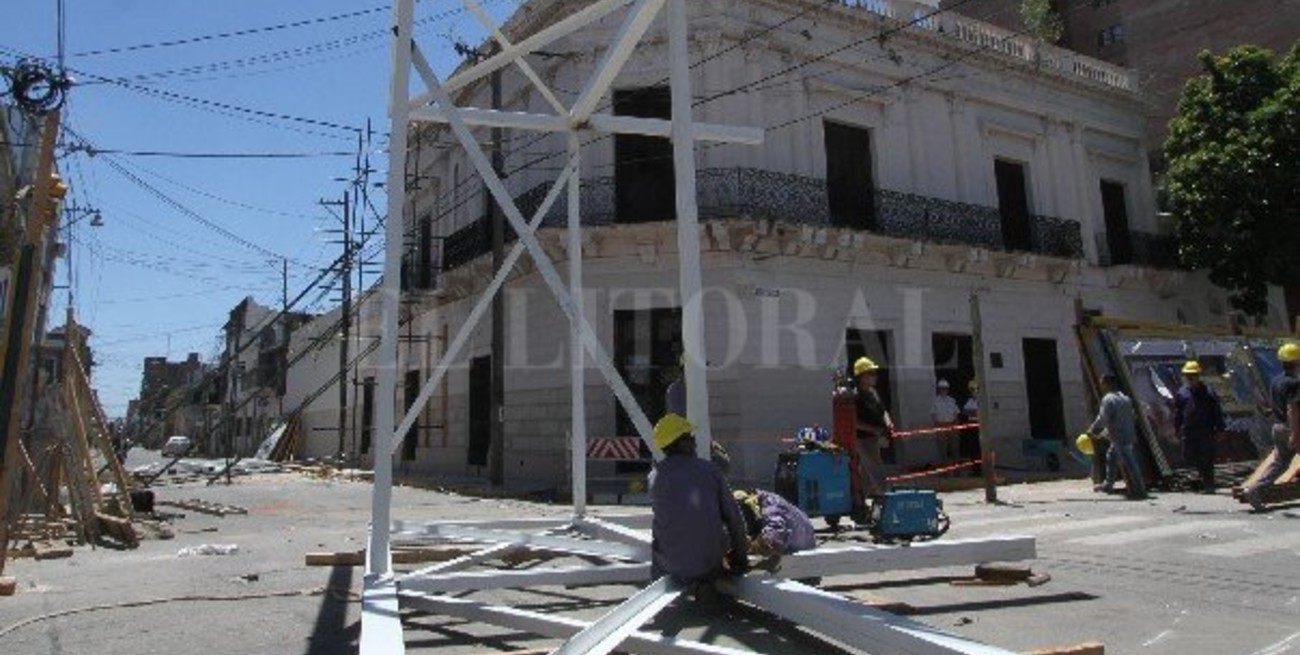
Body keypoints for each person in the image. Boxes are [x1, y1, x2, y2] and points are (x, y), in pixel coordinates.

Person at [650, 413, 749, 588]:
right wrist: (740, 560)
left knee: (659, 537)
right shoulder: (710, 470)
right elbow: (735, 520)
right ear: (681, 442)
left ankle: (660, 584)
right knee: (721, 532)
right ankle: (706, 583)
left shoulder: (654, 477)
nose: (695, 442)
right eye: (690, 437)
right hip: (708, 564)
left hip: (669, 564)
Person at [1242, 343, 1300, 511]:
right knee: (1280, 463)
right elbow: (1293, 409)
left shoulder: (1276, 382)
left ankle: (1254, 489)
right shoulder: (1295, 383)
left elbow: (1272, 407)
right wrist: (1295, 434)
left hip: (1278, 427)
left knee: (1279, 463)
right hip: (1292, 427)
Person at [1087, 373, 1147, 499]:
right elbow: (1128, 417)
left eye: (1102, 383)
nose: (1101, 385)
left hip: (1119, 436)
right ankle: (1108, 484)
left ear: (1107, 384)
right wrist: (1105, 432)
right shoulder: (1125, 398)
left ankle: (1139, 489)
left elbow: (1103, 418)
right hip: (1127, 433)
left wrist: (1092, 429)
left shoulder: (1108, 399)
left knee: (1129, 462)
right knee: (1111, 456)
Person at [1174, 360, 1225, 494]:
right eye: (1188, 376)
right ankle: (1200, 480)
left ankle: (1209, 485)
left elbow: (1216, 411)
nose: (1191, 378)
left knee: (1206, 458)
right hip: (1189, 430)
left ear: (1198, 375)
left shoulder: (1208, 392)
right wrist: (1177, 428)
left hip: (1205, 430)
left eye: (1193, 375)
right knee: (1190, 456)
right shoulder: (1182, 393)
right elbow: (1178, 412)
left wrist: (1220, 429)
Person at [732, 488, 817, 568]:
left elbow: (772, 541)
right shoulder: (764, 500)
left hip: (805, 564)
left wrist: (748, 547)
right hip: (798, 550)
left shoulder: (771, 506)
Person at [851, 356, 894, 500]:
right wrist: (873, 429)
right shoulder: (855, 396)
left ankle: (858, 501)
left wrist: (888, 423)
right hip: (863, 439)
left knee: (866, 472)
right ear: (862, 377)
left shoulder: (873, 393)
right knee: (875, 469)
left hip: (874, 438)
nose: (875, 376)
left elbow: (883, 411)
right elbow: (853, 421)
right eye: (871, 373)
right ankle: (886, 497)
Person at [931, 379, 961, 464]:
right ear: (939, 389)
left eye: (945, 388)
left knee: (955, 448)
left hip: (952, 425)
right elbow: (933, 415)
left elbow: (956, 413)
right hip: (940, 425)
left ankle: (956, 470)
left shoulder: (952, 400)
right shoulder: (935, 401)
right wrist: (937, 428)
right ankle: (945, 471)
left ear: (947, 389)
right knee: (942, 449)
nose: (943, 390)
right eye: (941, 388)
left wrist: (956, 427)